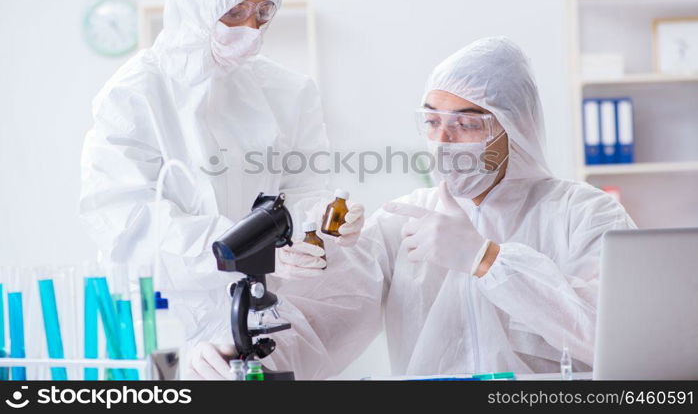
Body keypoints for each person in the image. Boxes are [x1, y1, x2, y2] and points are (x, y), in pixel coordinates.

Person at [187, 37, 636, 380]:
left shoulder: (585, 215)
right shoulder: (402, 222)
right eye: (432, 121)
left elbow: (617, 338)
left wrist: (488, 260)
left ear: (513, 127)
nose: (443, 139)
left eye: (466, 123)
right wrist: (240, 349)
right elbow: (320, 322)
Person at [79, 0, 364, 367]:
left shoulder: (288, 92)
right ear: (197, 2)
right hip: (166, 326)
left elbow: (305, 188)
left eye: (263, 12)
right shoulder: (135, 94)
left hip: (262, 321)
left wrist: (322, 224)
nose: (251, 28)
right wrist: (241, 250)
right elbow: (126, 224)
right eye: (235, 12)